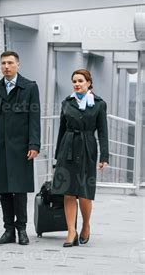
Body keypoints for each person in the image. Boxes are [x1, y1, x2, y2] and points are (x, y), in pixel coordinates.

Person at [0, 51, 41, 246]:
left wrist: (34, 144)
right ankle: (8, 230)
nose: (6, 66)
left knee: (19, 189)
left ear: (18, 65)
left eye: (10, 63)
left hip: (21, 147)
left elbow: (34, 119)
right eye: (3, 63)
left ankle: (22, 229)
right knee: (4, 189)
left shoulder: (29, 87)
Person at [52, 69, 109, 247]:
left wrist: (104, 156)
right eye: (74, 81)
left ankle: (85, 225)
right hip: (67, 148)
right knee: (68, 191)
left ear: (89, 83)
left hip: (87, 148)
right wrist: (57, 156)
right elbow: (61, 130)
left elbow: (103, 132)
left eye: (80, 81)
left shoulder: (99, 104)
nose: (77, 84)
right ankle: (71, 231)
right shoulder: (66, 103)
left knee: (85, 193)